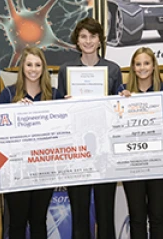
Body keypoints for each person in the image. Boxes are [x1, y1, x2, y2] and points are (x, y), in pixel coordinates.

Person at [57, 17, 122, 239]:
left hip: (104, 152)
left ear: (99, 40)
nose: (88, 41)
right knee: (79, 215)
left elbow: (118, 113)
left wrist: (122, 101)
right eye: (83, 36)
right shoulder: (66, 70)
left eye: (92, 36)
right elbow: (59, 114)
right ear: (77, 40)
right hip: (77, 152)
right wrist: (65, 104)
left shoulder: (112, 69)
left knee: (105, 214)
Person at [0, 47, 63, 239]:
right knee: (17, 223)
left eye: (37, 65)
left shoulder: (55, 95)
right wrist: (11, 111)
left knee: (38, 221)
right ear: (22, 67)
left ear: (43, 68)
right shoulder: (8, 95)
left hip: (45, 170)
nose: (33, 69)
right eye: (29, 65)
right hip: (16, 171)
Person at [117, 47, 163, 239]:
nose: (142, 68)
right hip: (132, 162)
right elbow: (116, 125)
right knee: (137, 216)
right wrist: (121, 104)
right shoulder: (122, 91)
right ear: (133, 67)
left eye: (146, 63)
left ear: (153, 66)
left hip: (159, 162)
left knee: (157, 216)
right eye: (138, 64)